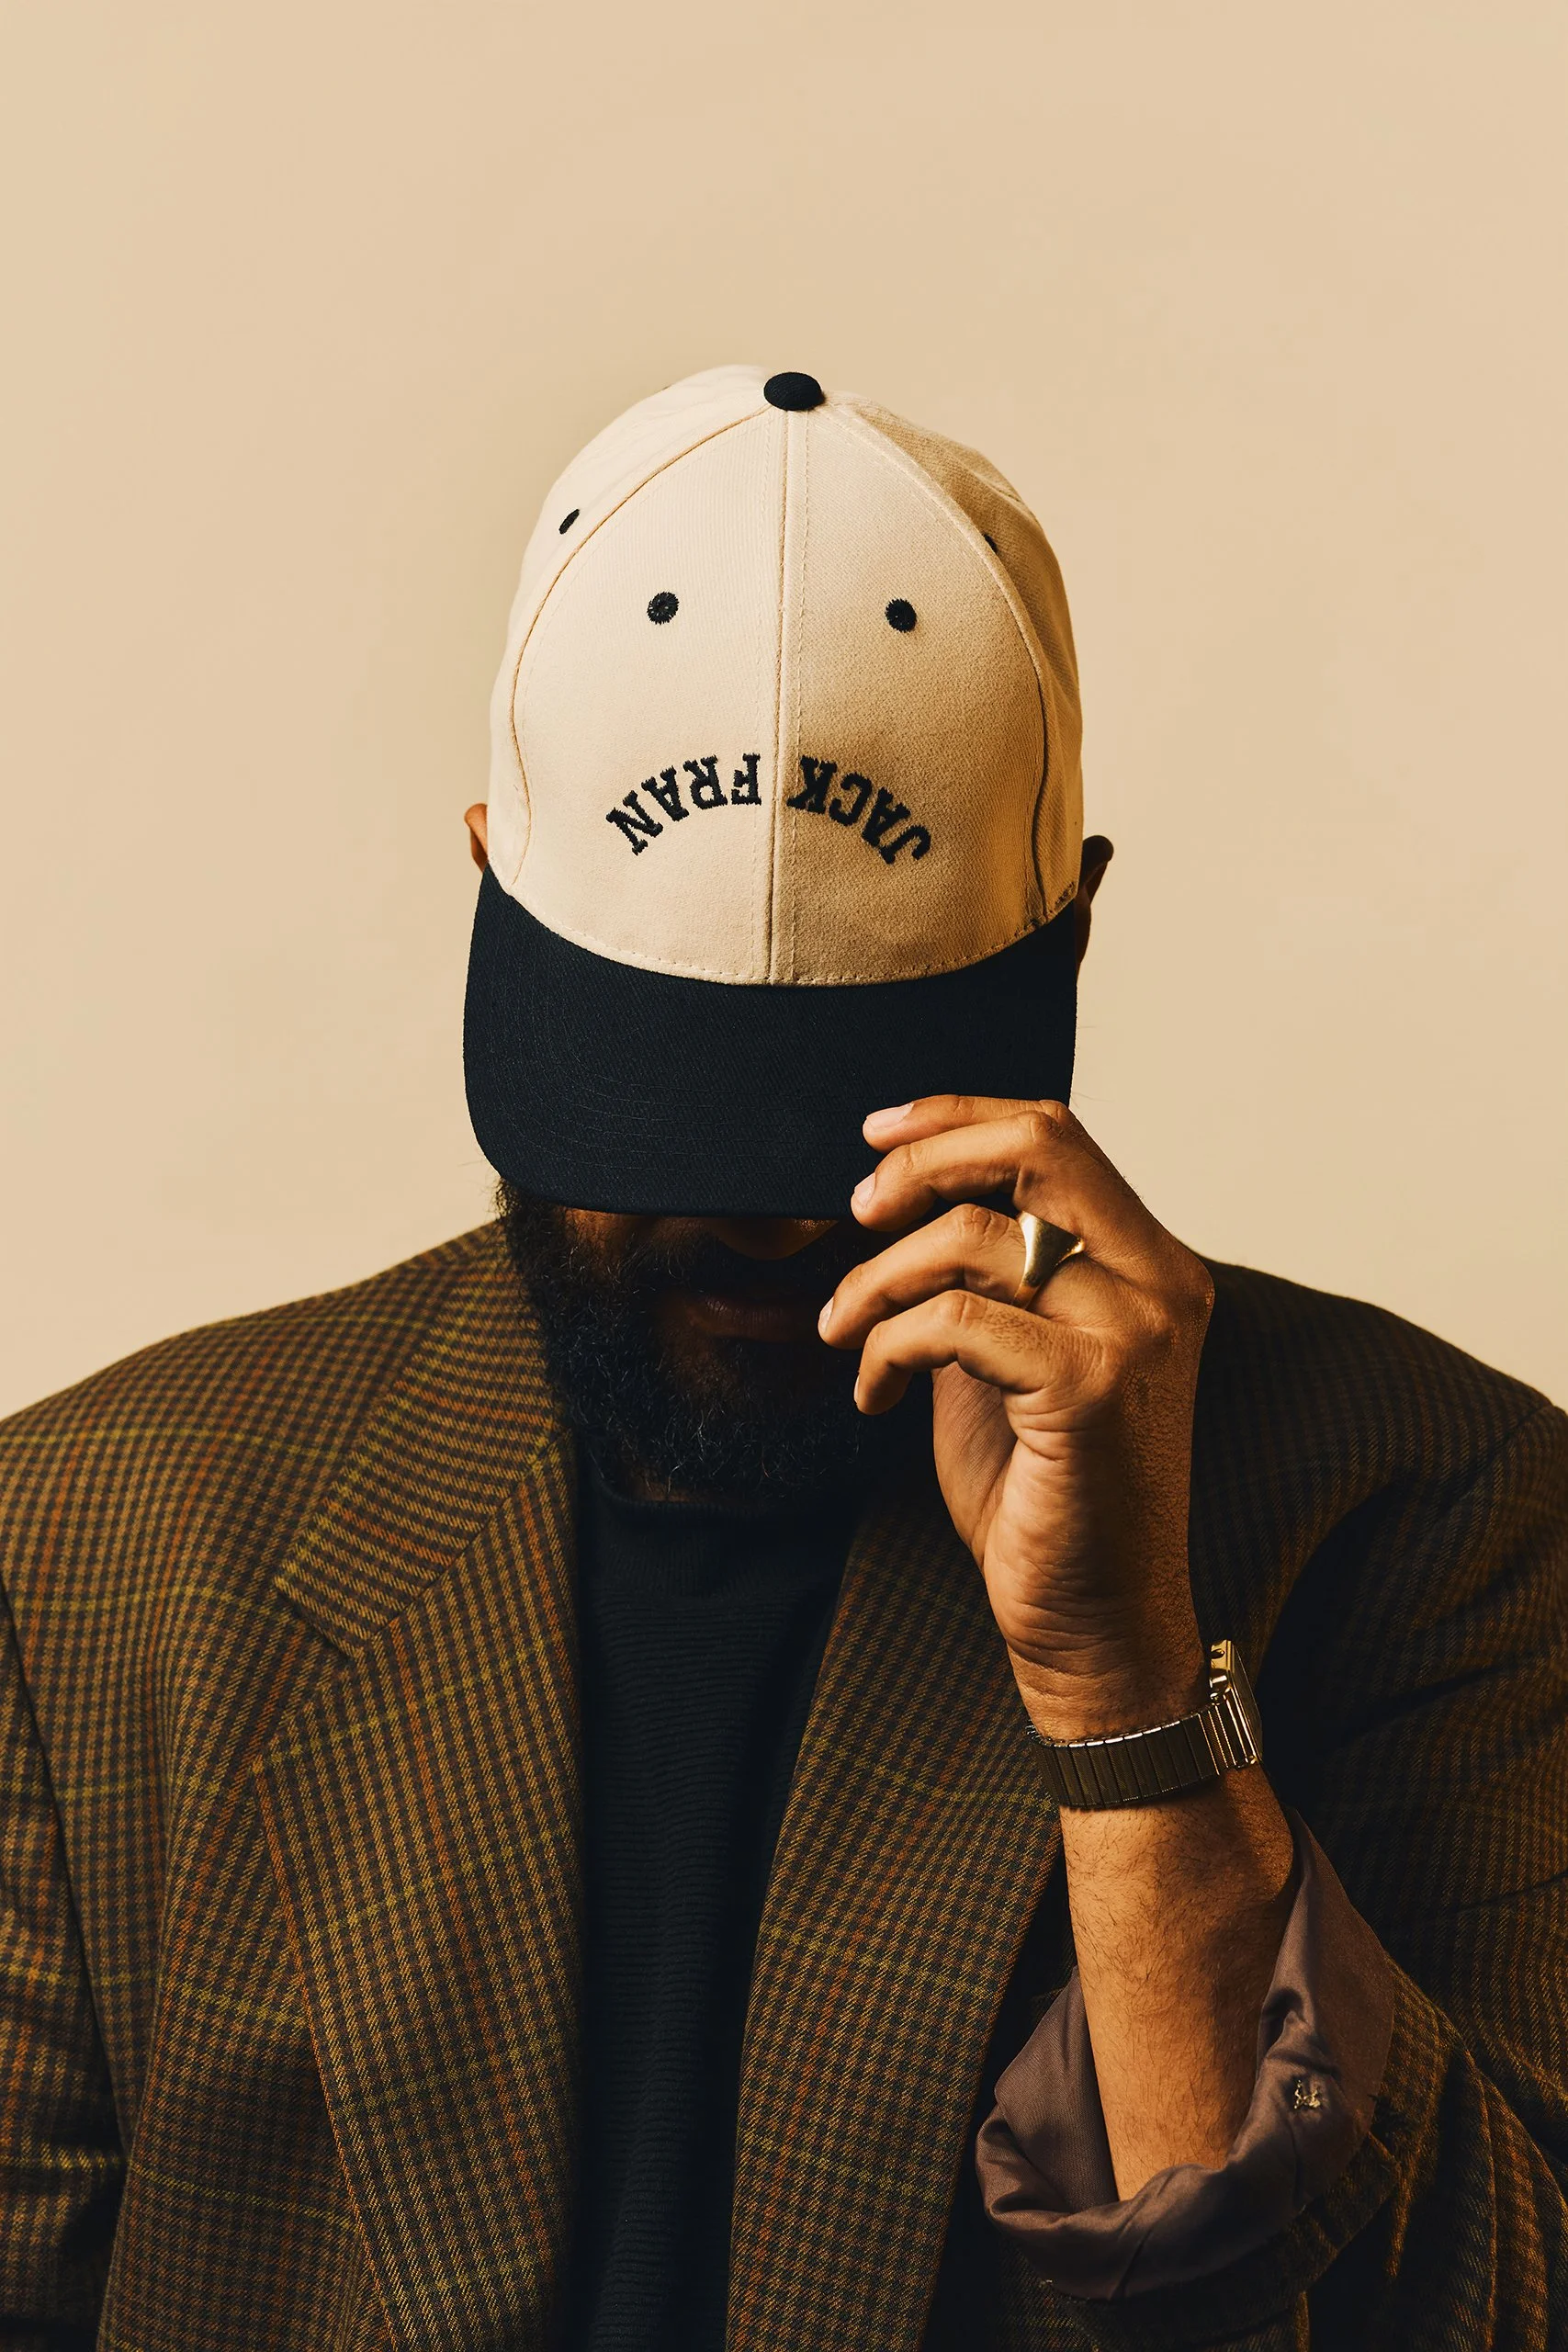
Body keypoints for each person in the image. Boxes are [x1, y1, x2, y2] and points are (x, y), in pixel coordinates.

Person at [1, 366, 1562, 2352]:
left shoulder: (1429, 1511)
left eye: (845, 1112)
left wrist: (1128, 1690)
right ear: (487, 882)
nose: (755, 1213)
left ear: (1070, 938)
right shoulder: (87, 1550)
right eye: (658, 1097)